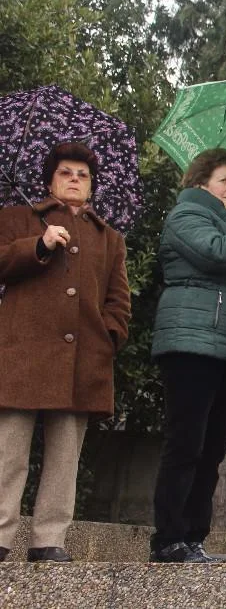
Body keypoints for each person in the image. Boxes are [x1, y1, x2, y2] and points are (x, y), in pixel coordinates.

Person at [0, 143, 131, 563]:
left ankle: (49, 539)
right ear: (49, 180)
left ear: (91, 186)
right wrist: (38, 245)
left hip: (84, 361)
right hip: (22, 356)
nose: (75, 179)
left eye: (82, 175)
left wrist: (109, 337)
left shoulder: (109, 238)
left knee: (64, 459)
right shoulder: (17, 218)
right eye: (66, 172)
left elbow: (119, 300)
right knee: (8, 454)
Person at [149, 148, 226, 563]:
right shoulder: (185, 216)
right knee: (186, 441)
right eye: (224, 180)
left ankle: (193, 536)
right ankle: (168, 538)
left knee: (212, 448)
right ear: (201, 182)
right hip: (190, 341)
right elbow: (217, 252)